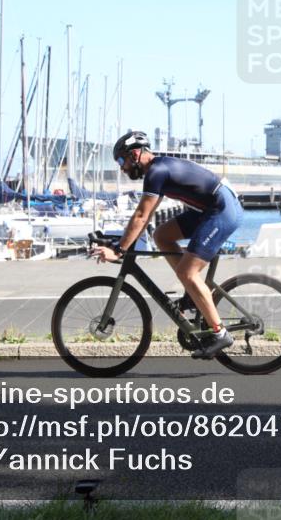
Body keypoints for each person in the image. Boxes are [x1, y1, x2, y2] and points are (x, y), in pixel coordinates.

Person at [92, 130, 244, 359]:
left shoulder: (156, 171)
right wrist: (121, 242)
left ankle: (220, 333)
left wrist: (119, 250)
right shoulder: (157, 170)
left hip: (222, 210)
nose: (121, 168)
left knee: (187, 273)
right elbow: (145, 216)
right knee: (162, 236)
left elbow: (142, 216)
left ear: (134, 154)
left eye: (121, 161)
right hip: (209, 209)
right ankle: (194, 295)